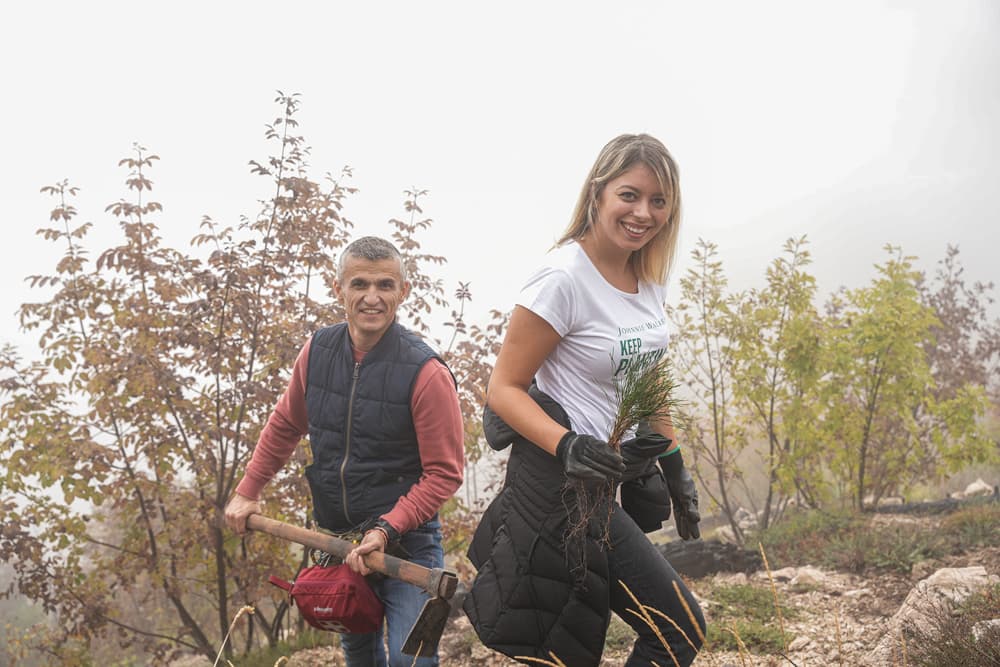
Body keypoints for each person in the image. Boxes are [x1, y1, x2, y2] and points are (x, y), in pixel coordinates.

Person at [463, 134, 706, 666]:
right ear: (598, 193)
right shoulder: (562, 278)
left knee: (615, 639)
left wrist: (674, 466)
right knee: (668, 628)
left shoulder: (647, 280)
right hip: (558, 489)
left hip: (603, 489)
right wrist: (567, 444)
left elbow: (647, 381)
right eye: (630, 195)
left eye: (659, 201)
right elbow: (503, 389)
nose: (644, 213)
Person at [224, 236, 464, 667]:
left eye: (385, 285)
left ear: (403, 292)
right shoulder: (317, 351)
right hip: (338, 542)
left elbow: (444, 474)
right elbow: (285, 424)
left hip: (407, 547)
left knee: (414, 663)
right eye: (360, 284)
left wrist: (387, 529)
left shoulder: (426, 373)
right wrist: (248, 489)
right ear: (340, 290)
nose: (372, 297)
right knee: (361, 659)